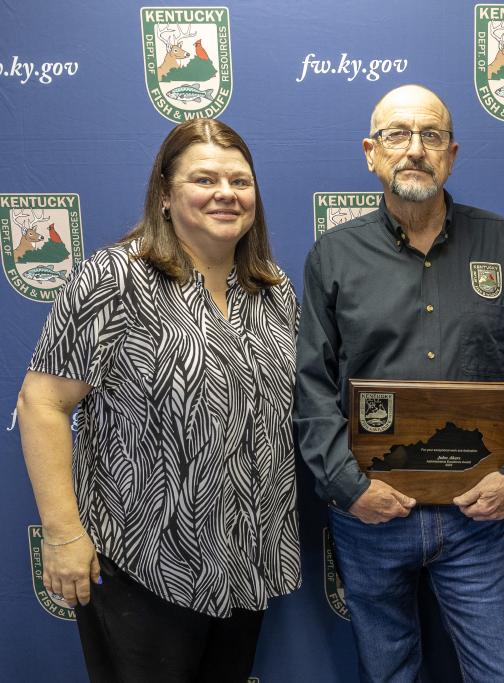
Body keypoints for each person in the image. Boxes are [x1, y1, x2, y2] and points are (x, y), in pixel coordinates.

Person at [17, 118, 301, 682]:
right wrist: (63, 533)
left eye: (240, 182)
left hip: (249, 563)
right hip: (143, 563)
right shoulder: (115, 278)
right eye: (205, 179)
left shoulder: (271, 288)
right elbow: (41, 402)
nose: (226, 193)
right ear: (166, 194)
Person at [294, 84, 504, 683]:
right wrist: (348, 487)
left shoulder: (500, 241)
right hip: (372, 515)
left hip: (475, 516)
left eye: (431, 136)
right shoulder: (333, 255)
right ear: (371, 153)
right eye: (397, 136)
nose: (414, 150)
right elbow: (312, 384)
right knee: (390, 674)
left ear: (451, 155)